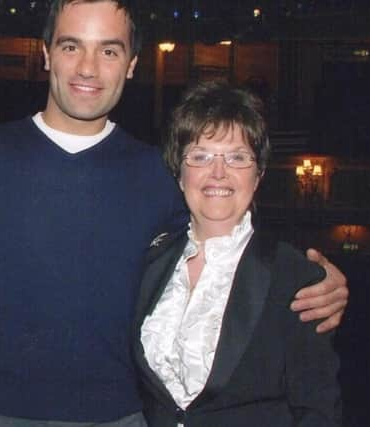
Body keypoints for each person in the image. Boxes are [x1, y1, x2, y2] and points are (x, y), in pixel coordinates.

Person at [0, 1, 348, 425]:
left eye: (109, 50)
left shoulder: (161, 175)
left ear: (130, 65)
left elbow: (225, 247)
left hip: (120, 417)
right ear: (46, 52)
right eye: (72, 45)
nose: (88, 66)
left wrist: (313, 282)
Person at [133, 80, 341, 426]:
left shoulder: (296, 276)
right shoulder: (150, 263)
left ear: (258, 174)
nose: (218, 172)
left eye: (237, 157)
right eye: (200, 156)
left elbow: (317, 409)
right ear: (179, 172)